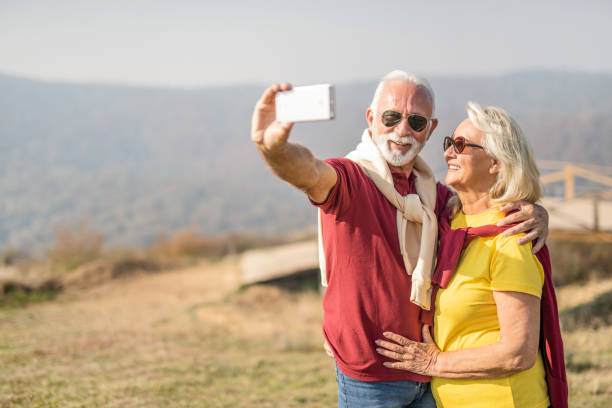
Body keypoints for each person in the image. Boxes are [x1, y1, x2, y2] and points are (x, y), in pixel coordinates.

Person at [251, 71, 549, 408]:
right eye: (391, 117)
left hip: (435, 377)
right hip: (372, 378)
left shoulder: (437, 200)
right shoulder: (352, 180)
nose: (402, 130)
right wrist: (274, 150)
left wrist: (535, 211)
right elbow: (308, 171)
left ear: (429, 129)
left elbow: (487, 212)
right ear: (371, 119)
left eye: (416, 121)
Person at [375, 102, 567, 407]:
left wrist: (433, 363)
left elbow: (518, 352)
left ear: (496, 163)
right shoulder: (450, 221)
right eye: (449, 142)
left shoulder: (509, 239)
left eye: (461, 145)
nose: (449, 152)